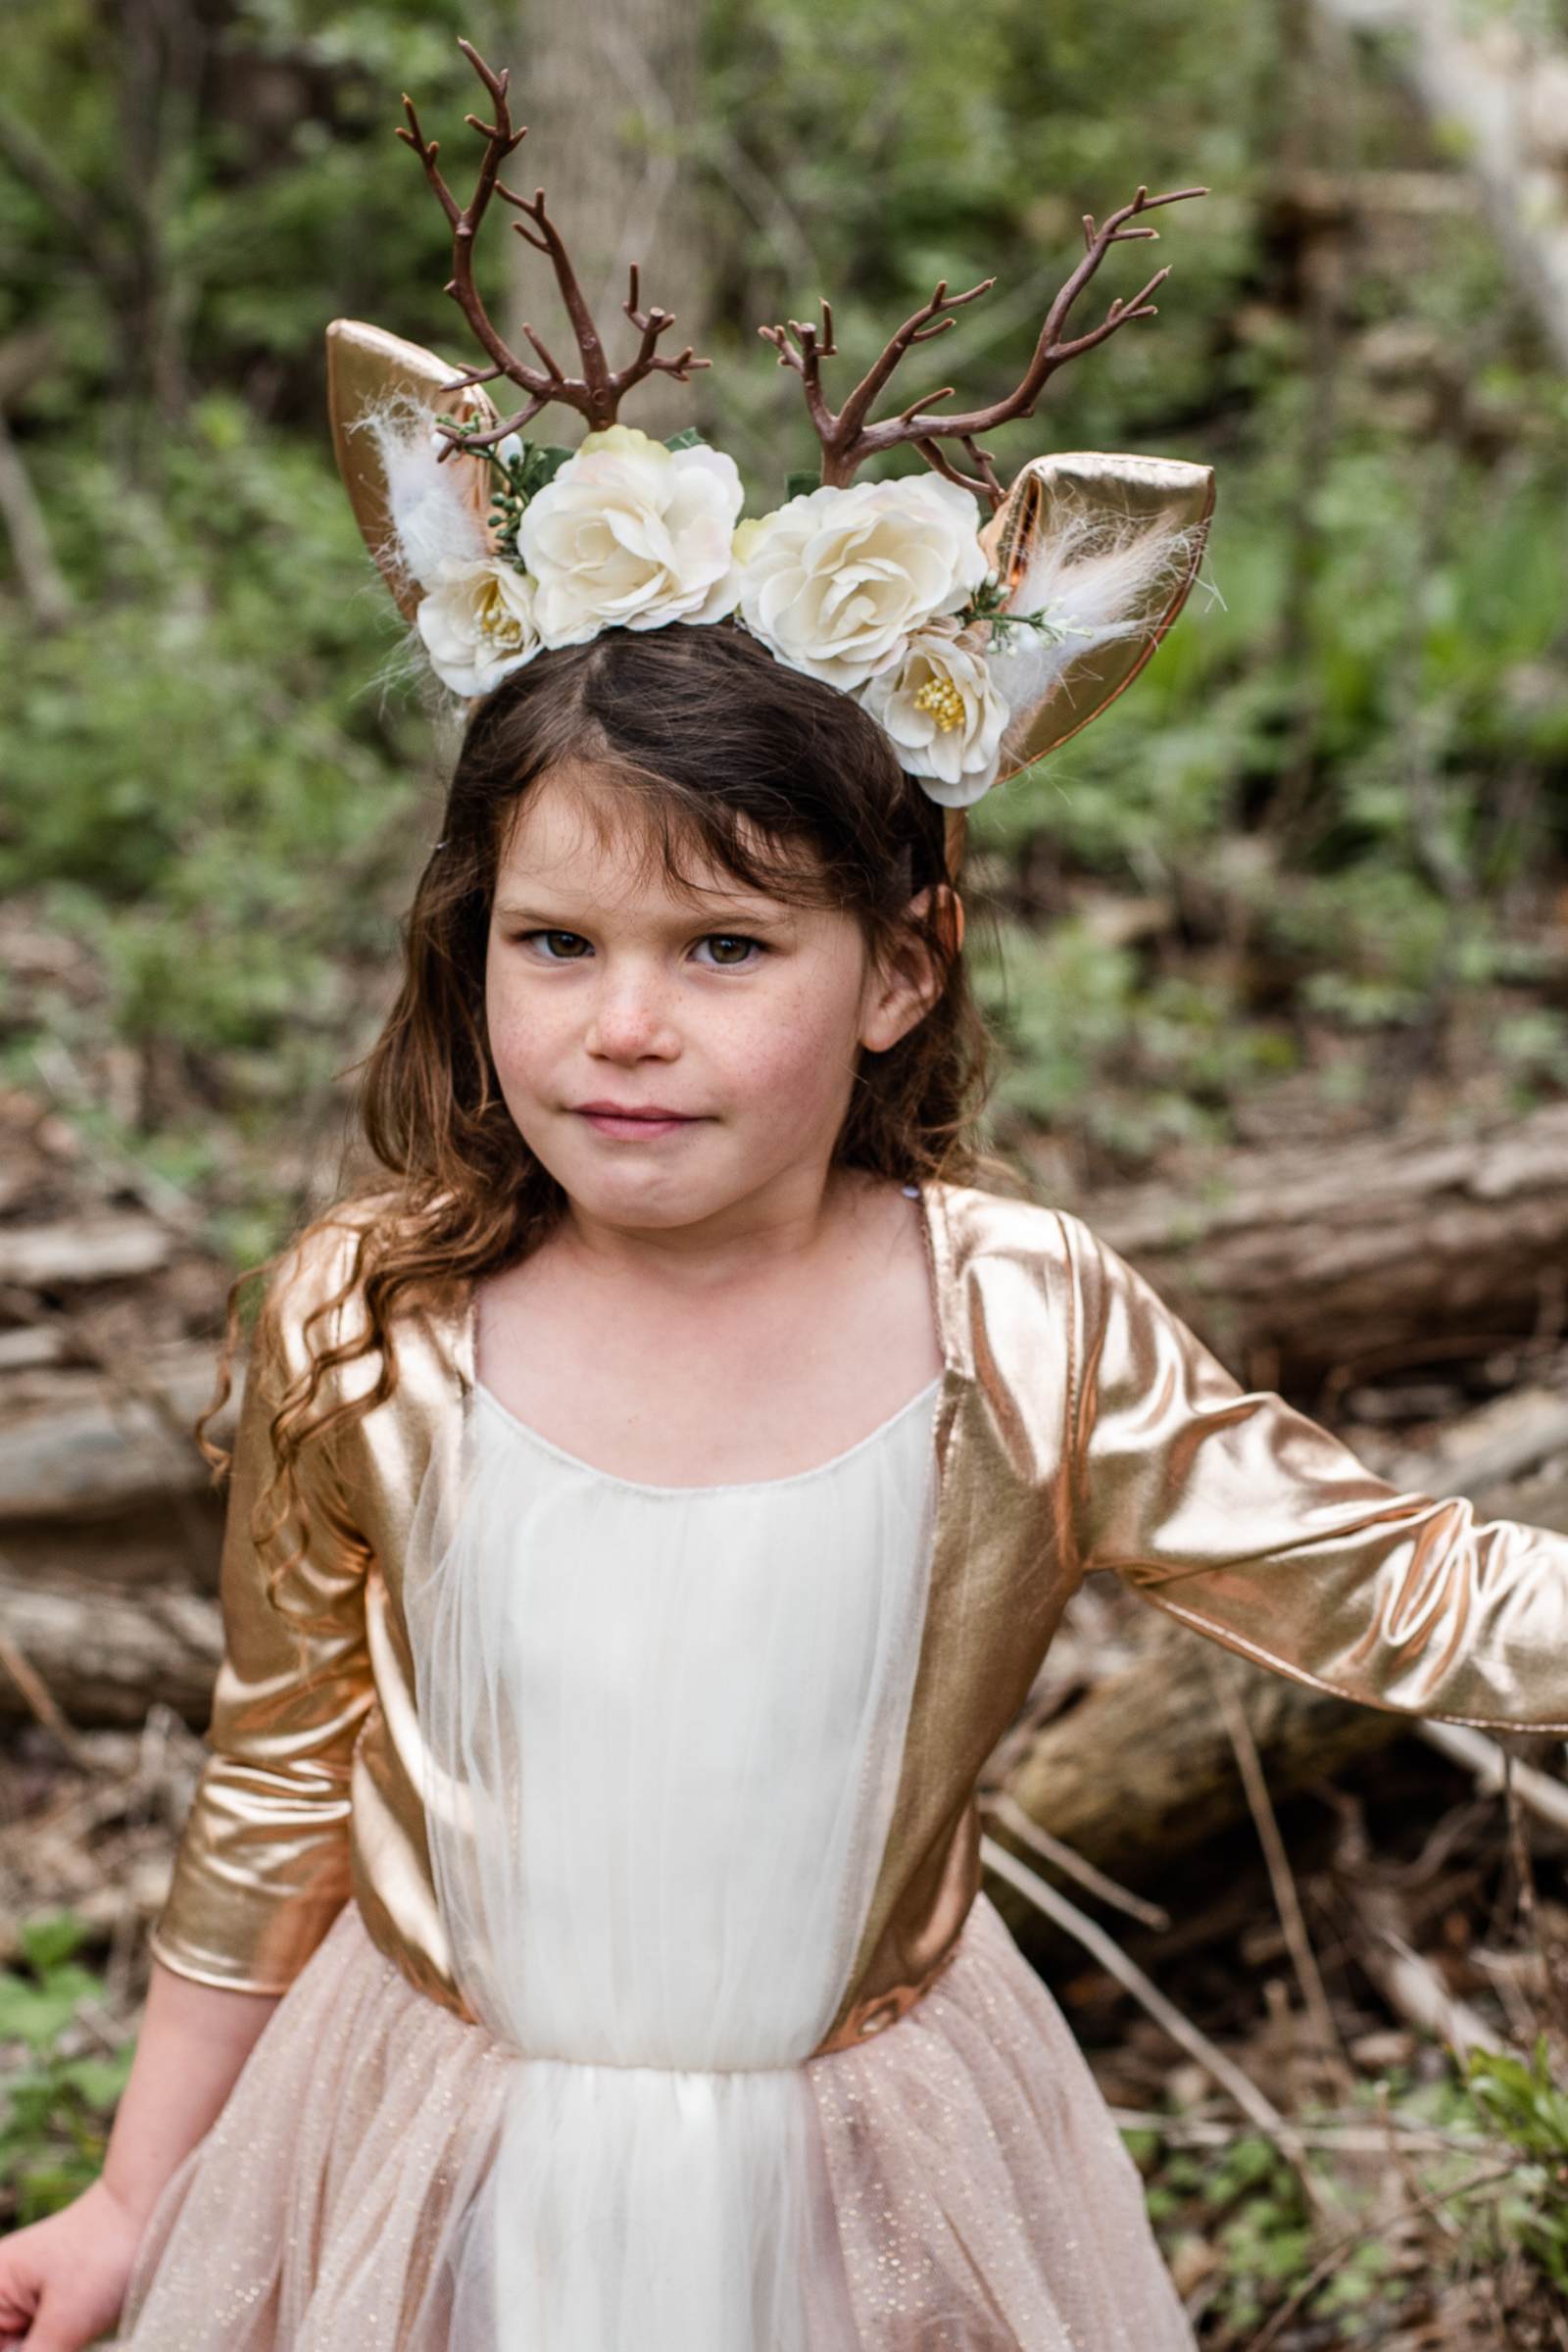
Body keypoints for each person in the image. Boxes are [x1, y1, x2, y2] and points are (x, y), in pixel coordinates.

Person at [3, 44, 1566, 2352]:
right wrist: (142, 2197)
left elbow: (1400, 1593)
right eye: (559, 945)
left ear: (894, 972)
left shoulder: (1011, 1322)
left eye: (723, 948)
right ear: (472, 951)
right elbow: (279, 1772)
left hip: (869, 2184)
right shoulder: (371, 1315)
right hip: (435, 2159)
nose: (623, 1025)